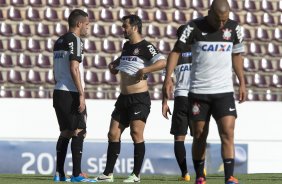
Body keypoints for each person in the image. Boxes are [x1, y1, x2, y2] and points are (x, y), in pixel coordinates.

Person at [162, 0, 246, 183]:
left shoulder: (234, 28)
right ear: (209, 13)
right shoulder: (193, 27)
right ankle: (200, 176)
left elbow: (237, 55)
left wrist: (242, 82)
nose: (222, 24)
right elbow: (175, 52)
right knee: (200, 135)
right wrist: (168, 78)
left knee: (228, 132)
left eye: (225, 20)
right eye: (218, 20)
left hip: (224, 92)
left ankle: (229, 176)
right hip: (199, 91)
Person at [95, 14, 166, 183]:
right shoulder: (126, 46)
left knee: (136, 133)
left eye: (125, 26)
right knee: (113, 133)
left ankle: (136, 175)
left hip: (139, 98)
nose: (123, 29)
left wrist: (145, 71)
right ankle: (108, 174)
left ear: (134, 27)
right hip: (123, 98)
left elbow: (163, 62)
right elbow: (122, 61)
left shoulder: (146, 46)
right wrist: (114, 65)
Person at [52, 9, 96, 183]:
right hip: (70, 92)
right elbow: (74, 67)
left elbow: (55, 70)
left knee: (65, 132)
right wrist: (81, 94)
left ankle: (59, 173)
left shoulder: (59, 41)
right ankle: (77, 174)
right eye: (87, 24)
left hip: (58, 91)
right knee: (80, 130)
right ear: (79, 24)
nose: (88, 28)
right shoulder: (76, 40)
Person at [162, 25, 193, 182]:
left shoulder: (174, 55)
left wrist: (165, 102)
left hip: (181, 98)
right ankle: (201, 171)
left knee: (179, 139)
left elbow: (168, 83)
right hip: (198, 99)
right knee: (200, 137)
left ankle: (185, 174)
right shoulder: (200, 53)